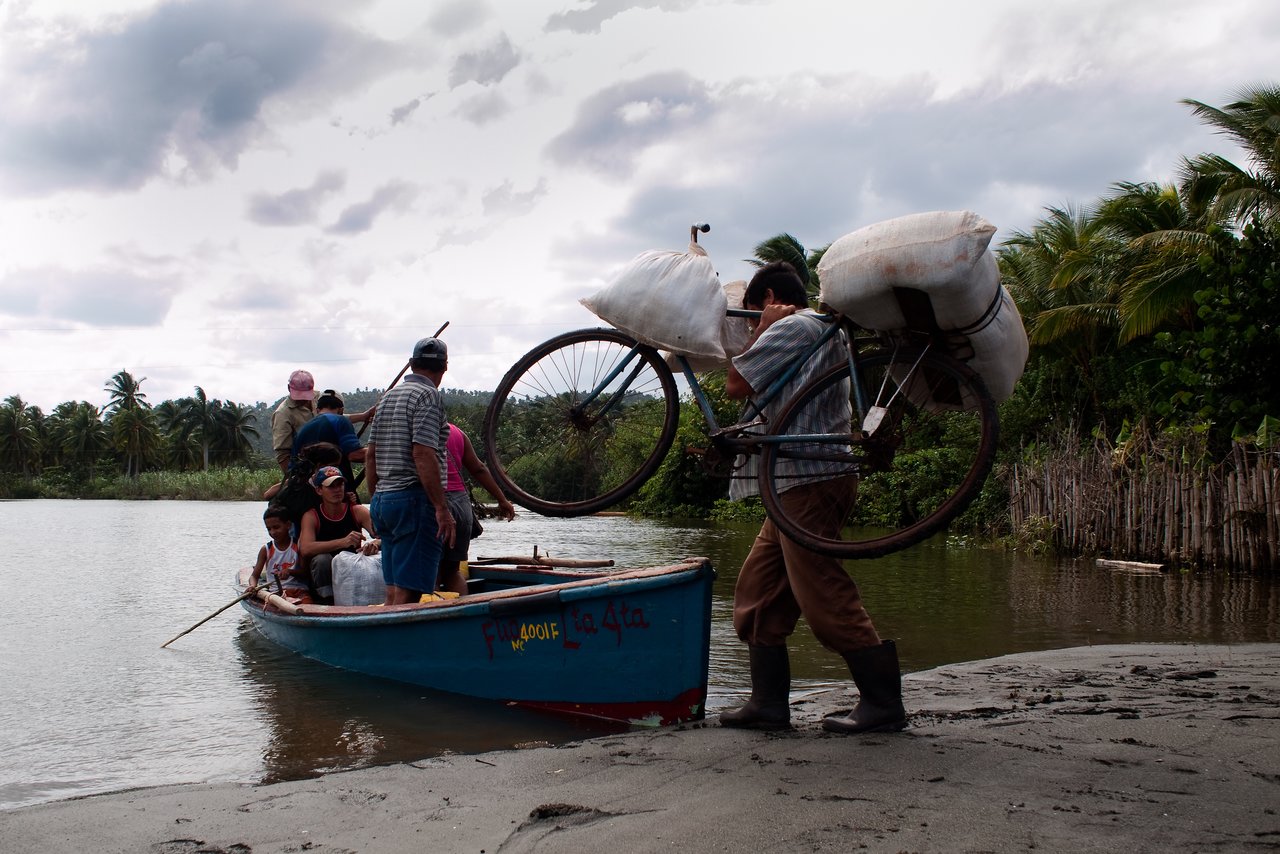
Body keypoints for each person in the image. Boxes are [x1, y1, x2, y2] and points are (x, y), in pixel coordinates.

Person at [719, 261, 906, 734]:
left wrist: (763, 330)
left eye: (751, 313)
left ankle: (883, 703)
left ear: (766, 301)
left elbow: (736, 384)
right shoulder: (820, 329)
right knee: (758, 595)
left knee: (823, 593)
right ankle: (768, 705)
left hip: (808, 479)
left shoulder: (796, 327)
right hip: (791, 484)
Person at [365, 337, 456, 605]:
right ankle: (397, 645)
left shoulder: (387, 397)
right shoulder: (428, 396)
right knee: (409, 590)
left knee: (393, 587)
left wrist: (375, 499)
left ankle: (384, 641)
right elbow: (422, 452)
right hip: (413, 502)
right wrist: (441, 508)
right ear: (444, 368)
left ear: (412, 364)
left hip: (384, 501)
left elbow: (371, 455)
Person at [438, 423, 516, 595]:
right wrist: (502, 499)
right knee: (452, 571)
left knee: (430, 572)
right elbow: (479, 468)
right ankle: (463, 616)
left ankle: (431, 618)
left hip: (438, 504)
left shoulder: (419, 429)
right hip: (461, 504)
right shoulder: (457, 432)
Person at [297, 465, 380, 605]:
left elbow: (386, 535)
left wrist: (375, 543)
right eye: (331, 486)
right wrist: (343, 542)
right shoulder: (311, 516)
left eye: (340, 484)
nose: (337, 490)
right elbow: (305, 549)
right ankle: (327, 602)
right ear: (319, 490)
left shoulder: (357, 511)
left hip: (352, 569)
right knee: (322, 560)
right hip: (324, 574)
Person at [290, 390, 367, 488]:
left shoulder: (302, 430)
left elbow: (293, 465)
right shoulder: (340, 420)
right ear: (341, 410)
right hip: (334, 489)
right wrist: (384, 451)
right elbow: (354, 455)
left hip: (305, 492)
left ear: (317, 410)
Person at [248, 505, 310, 602]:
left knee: (306, 602)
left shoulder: (298, 546)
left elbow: (305, 572)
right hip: (275, 593)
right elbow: (254, 576)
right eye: (269, 529)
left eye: (276, 527)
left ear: (288, 525)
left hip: (299, 591)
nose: (272, 532)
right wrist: (253, 586)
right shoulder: (266, 549)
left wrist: (290, 572)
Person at [271, 370, 316, 473]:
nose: (303, 399)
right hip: (303, 466)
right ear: (288, 388)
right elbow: (282, 452)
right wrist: (293, 477)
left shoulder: (317, 399)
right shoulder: (283, 414)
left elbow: (332, 417)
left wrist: (360, 417)